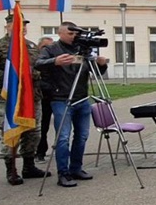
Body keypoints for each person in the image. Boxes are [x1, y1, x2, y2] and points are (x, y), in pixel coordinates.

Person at [36, 21, 108, 188]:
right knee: (63, 137)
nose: (74, 36)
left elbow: (95, 72)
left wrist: (101, 65)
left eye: (75, 33)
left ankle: (76, 168)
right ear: (60, 33)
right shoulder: (51, 49)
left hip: (82, 98)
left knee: (82, 136)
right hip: (61, 98)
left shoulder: (82, 49)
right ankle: (63, 173)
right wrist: (55, 61)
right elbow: (38, 64)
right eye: (70, 33)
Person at [0, 14, 48, 185]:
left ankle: (28, 166)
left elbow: (39, 67)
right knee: (12, 133)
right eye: (18, 24)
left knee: (33, 132)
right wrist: (12, 77)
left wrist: (34, 75)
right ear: (8, 26)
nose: (23, 28)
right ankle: (11, 169)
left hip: (32, 96)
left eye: (24, 25)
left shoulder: (31, 46)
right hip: (11, 98)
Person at [35, 36, 54, 161]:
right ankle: (40, 151)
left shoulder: (54, 59)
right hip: (41, 95)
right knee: (42, 125)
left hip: (55, 94)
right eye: (44, 47)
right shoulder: (36, 60)